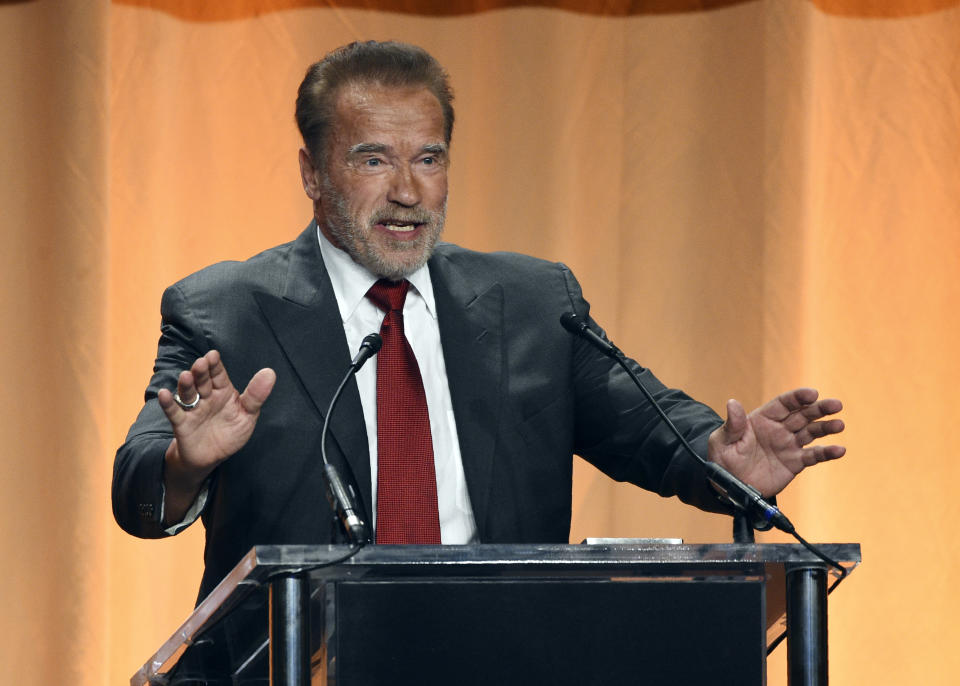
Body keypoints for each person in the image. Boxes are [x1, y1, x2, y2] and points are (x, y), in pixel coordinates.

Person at [112, 41, 845, 604]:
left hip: (498, 653)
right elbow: (138, 492)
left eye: (429, 158)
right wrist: (188, 465)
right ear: (311, 173)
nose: (407, 192)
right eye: (373, 160)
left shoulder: (530, 300)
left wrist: (721, 458)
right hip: (297, 658)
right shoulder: (225, 309)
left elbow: (650, 425)